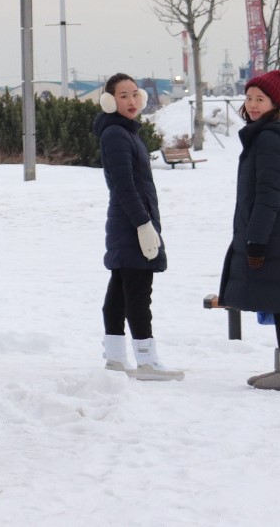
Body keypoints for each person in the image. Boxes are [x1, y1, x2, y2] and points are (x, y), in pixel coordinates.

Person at [219, 69, 280, 392]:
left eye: (261, 99)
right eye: (249, 97)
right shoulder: (263, 135)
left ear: (275, 103)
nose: (253, 104)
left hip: (272, 236)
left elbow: (268, 196)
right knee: (279, 297)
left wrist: (256, 241)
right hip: (273, 233)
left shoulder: (270, 139)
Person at [95, 72, 183, 380]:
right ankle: (147, 361)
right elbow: (124, 187)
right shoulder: (116, 135)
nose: (132, 101)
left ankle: (116, 358)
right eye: (123, 96)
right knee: (137, 292)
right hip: (131, 222)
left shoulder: (126, 132)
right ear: (108, 101)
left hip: (129, 221)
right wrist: (143, 225)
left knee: (120, 290)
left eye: (135, 94)